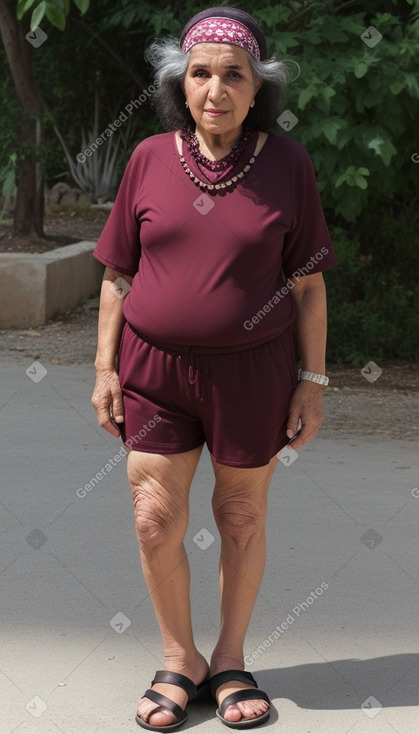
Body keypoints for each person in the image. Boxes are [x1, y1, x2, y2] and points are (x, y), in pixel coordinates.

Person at [91, 6, 337, 731]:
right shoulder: (145, 158)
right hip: (152, 369)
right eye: (201, 73)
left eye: (234, 75)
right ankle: (179, 659)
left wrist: (312, 382)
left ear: (257, 88)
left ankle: (228, 660)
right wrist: (103, 370)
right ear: (180, 82)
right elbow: (115, 275)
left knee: (238, 514)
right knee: (151, 516)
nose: (216, 89)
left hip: (252, 373)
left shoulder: (287, 165)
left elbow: (310, 285)